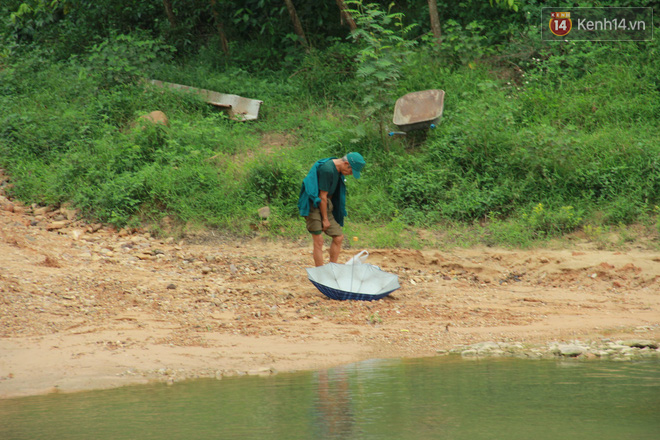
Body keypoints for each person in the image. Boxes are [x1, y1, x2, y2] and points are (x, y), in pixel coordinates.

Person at [298, 152, 366, 267]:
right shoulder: (327, 169)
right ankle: (320, 274)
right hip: (313, 204)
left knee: (338, 237)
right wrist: (325, 219)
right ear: (346, 163)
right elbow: (322, 196)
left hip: (325, 204)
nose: (350, 174)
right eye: (351, 171)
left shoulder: (338, 169)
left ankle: (332, 268)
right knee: (319, 240)